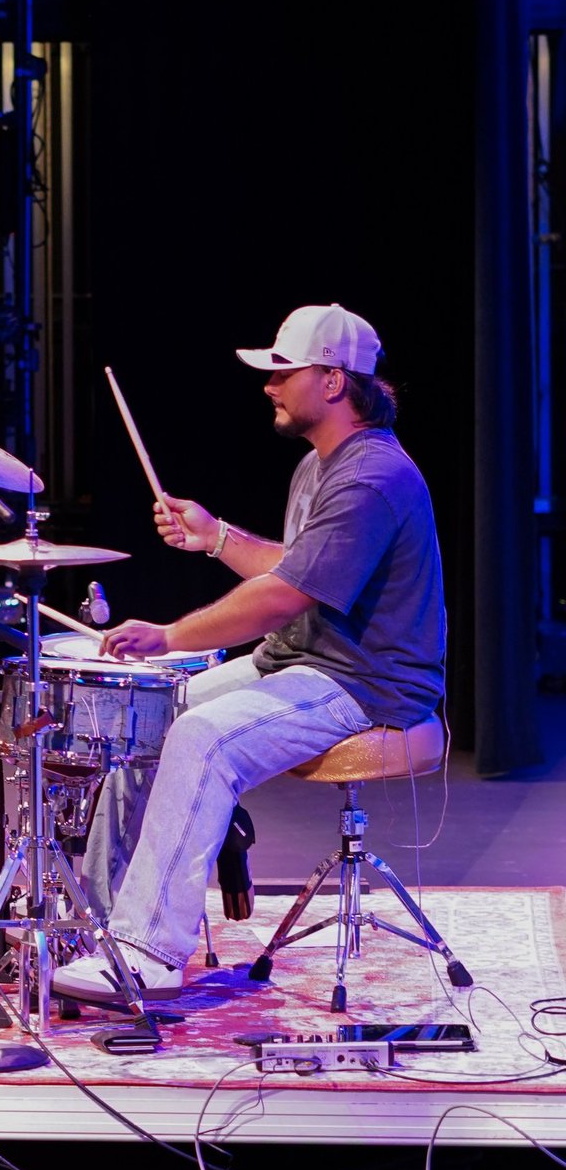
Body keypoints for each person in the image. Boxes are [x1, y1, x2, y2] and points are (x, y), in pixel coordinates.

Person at [54, 303, 445, 1006]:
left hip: (366, 682)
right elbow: (298, 565)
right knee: (148, 713)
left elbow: (284, 595)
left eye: (282, 371)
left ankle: (149, 953)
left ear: (331, 381)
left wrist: (172, 636)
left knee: (202, 737)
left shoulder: (370, 478)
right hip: (304, 660)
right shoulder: (319, 467)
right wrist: (214, 535)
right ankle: (100, 926)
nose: (268, 384)